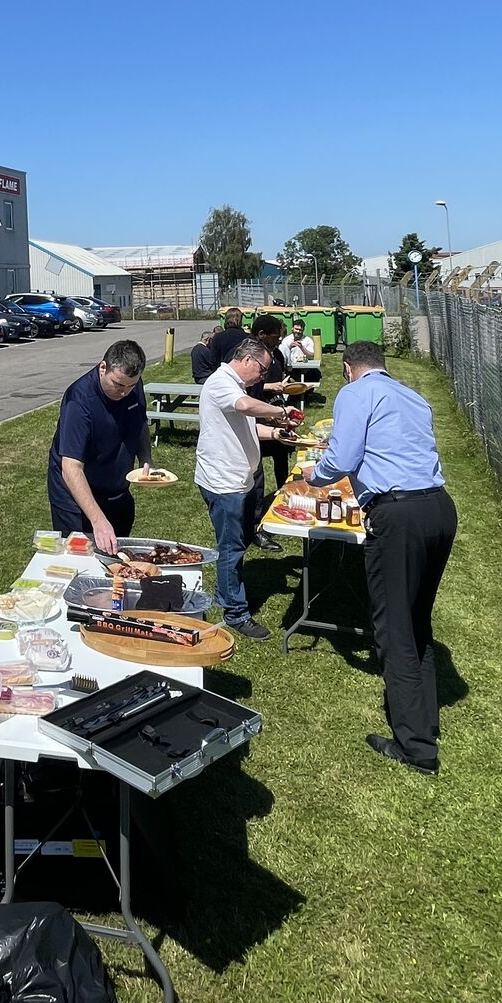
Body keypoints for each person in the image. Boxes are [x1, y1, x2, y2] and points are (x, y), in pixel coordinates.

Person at [313, 340, 456, 775]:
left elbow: (343, 456)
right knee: (417, 620)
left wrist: (316, 476)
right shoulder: (411, 394)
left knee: (394, 630)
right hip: (438, 508)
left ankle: (416, 747)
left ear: (348, 368)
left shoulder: (356, 392)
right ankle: (424, 720)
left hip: (398, 515)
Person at [195, 340, 294, 641]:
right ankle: (236, 612)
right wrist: (280, 411)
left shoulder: (235, 386)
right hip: (225, 482)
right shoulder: (221, 383)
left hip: (240, 479)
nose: (263, 377)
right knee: (231, 547)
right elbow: (245, 407)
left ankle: (225, 591)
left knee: (237, 541)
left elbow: (248, 425)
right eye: (262, 370)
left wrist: (275, 432)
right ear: (247, 359)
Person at [47, 339, 151, 552]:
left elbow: (140, 422)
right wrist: (98, 520)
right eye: (118, 384)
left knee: (116, 556)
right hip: (75, 498)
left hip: (117, 490)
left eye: (131, 386)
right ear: (103, 367)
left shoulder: (131, 383)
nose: (124, 392)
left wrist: (146, 459)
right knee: (80, 558)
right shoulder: (79, 400)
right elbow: (71, 468)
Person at [247, 315, 293, 537]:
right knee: (256, 473)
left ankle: (284, 495)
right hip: (254, 418)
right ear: (261, 335)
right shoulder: (249, 356)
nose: (279, 340)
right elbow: (247, 393)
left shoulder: (276, 354)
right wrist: (270, 388)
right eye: (276, 336)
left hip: (273, 412)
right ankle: (256, 524)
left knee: (282, 454)